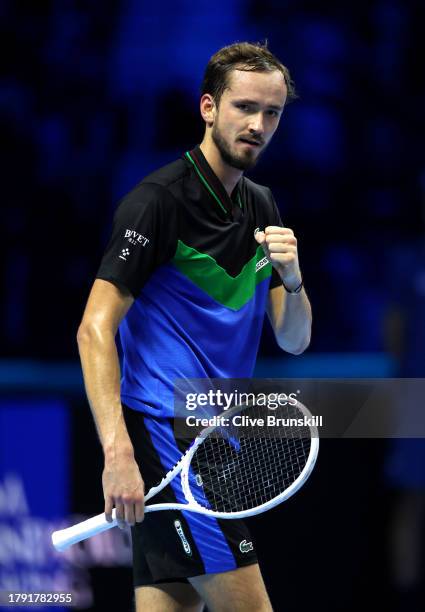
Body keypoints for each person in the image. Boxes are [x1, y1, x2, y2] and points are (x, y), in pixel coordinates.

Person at [77, 41, 312, 612]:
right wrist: (118, 453)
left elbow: (294, 339)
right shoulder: (157, 202)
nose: (258, 125)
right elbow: (93, 330)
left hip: (214, 437)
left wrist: (293, 277)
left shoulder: (262, 205)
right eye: (244, 108)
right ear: (209, 107)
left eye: (272, 113)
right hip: (172, 435)